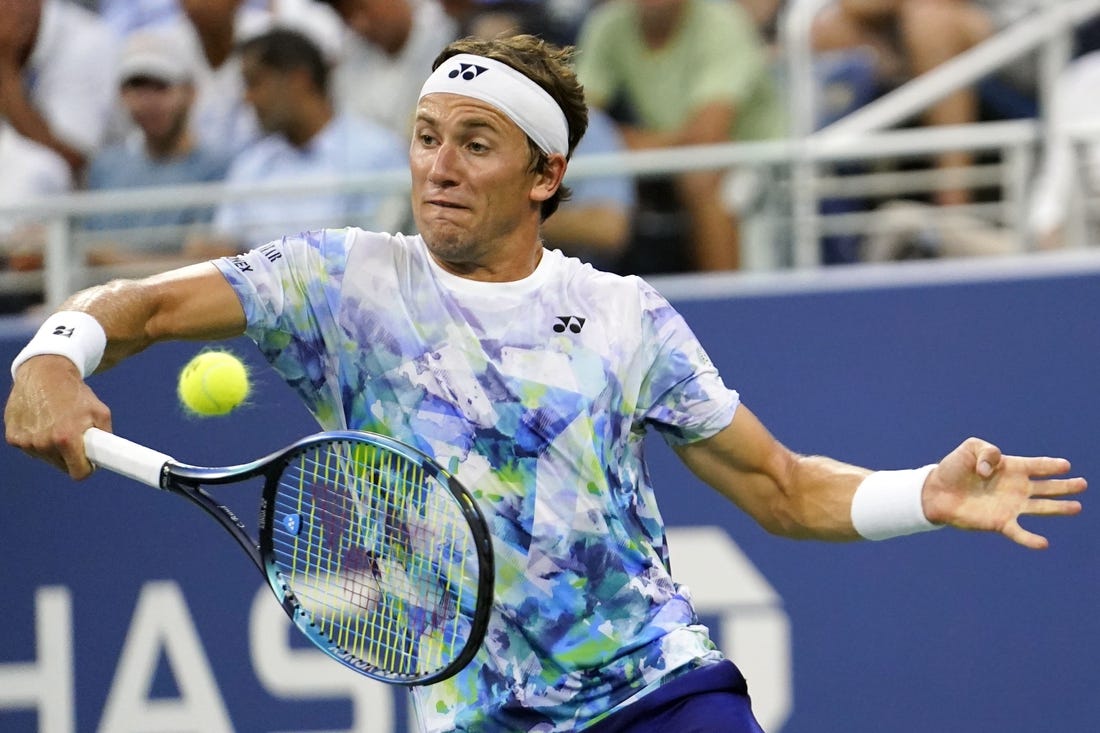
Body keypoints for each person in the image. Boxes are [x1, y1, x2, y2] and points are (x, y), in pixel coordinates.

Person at [4, 34, 1085, 733]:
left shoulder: (623, 316)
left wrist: (922, 494)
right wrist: (50, 354)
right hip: (478, 717)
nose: (439, 164)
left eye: (476, 144)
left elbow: (783, 489)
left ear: (546, 173)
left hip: (657, 693)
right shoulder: (337, 281)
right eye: (427, 138)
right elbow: (136, 306)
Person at [574, 0, 786, 272]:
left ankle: (728, 304)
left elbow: (707, 135)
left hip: (756, 160)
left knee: (701, 176)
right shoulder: (608, 24)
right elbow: (576, 120)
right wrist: (616, 145)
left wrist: (617, 143)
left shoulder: (722, 23)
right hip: (665, 162)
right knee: (583, 177)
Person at [187, 28, 408, 255]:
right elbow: (225, 248)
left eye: (255, 82)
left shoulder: (377, 152)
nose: (247, 97)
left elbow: (381, 253)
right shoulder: (251, 164)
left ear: (298, 80)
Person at [81, 28, 232, 267]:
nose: (148, 101)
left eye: (161, 86)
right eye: (137, 87)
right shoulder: (105, 167)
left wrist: (113, 261)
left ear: (191, 93)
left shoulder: (220, 167)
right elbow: (88, 254)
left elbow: (202, 266)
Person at [319, 0, 459, 140]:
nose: (359, 24)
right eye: (345, 15)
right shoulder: (349, 66)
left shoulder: (452, 42)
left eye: (361, 8)